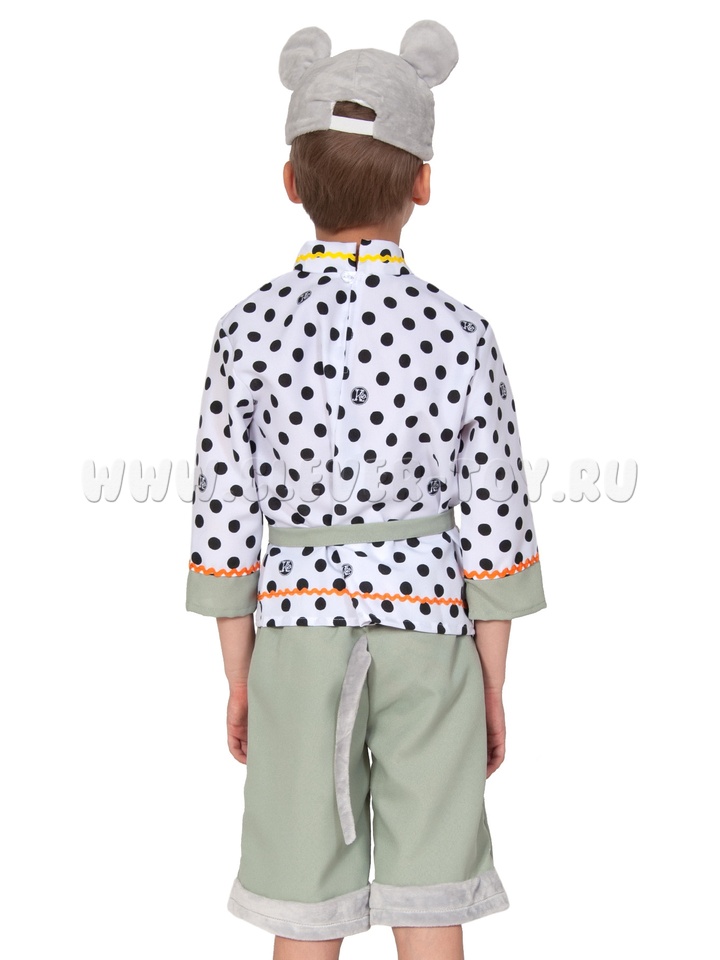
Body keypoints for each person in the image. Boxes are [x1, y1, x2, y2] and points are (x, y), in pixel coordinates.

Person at [185, 20, 547, 960]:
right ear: (423, 183)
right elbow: (496, 524)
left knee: (302, 899)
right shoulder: (462, 333)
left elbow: (224, 521)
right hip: (431, 634)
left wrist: (241, 676)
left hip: (296, 634)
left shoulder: (244, 331)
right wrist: (491, 685)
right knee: (433, 896)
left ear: (291, 181)